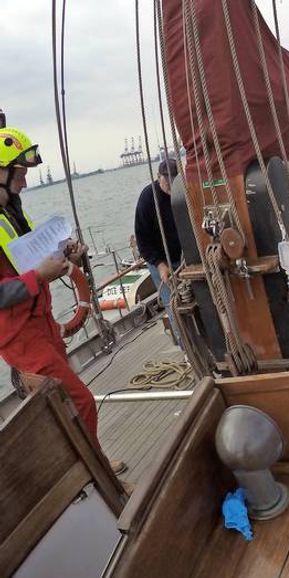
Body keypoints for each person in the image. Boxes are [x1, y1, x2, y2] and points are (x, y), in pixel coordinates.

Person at [0, 127, 126, 474]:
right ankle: (97, 477)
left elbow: (27, 255)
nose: (24, 184)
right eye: (20, 175)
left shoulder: (12, 214)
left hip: (42, 325)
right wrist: (39, 275)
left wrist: (65, 251)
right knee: (81, 402)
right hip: (21, 340)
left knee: (70, 404)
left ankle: (93, 462)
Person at [135, 158, 182, 345]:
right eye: (166, 181)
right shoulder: (147, 199)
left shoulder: (183, 192)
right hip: (160, 260)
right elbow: (142, 241)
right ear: (158, 177)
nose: (170, 186)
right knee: (173, 305)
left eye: (174, 181)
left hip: (185, 255)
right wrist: (160, 265)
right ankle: (186, 349)